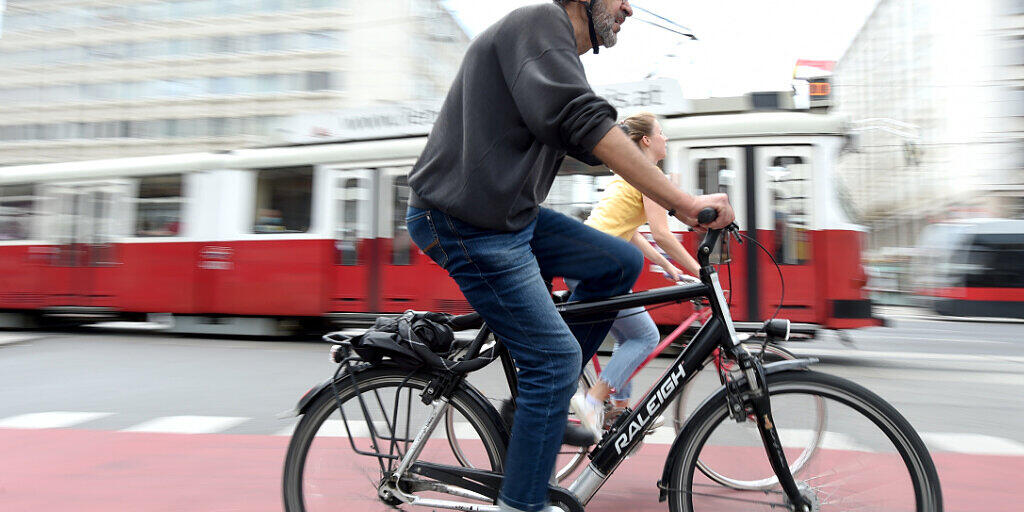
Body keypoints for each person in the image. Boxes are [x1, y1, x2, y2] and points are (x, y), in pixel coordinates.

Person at [405, 2, 735, 511]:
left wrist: (662, 184)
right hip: (466, 222)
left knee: (619, 264)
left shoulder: (555, 48)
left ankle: (542, 404)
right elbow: (584, 124)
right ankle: (523, 501)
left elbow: (587, 135)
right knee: (554, 358)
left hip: (507, 217)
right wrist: (683, 204)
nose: (628, 6)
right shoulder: (538, 23)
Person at [564, 112, 702, 436]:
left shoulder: (628, 174)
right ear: (647, 140)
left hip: (586, 262)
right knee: (646, 336)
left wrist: (668, 267)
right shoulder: (648, 175)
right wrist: (701, 271)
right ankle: (593, 401)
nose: (665, 138)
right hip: (600, 268)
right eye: (661, 133)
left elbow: (632, 232)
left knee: (630, 337)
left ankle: (619, 412)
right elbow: (662, 232)